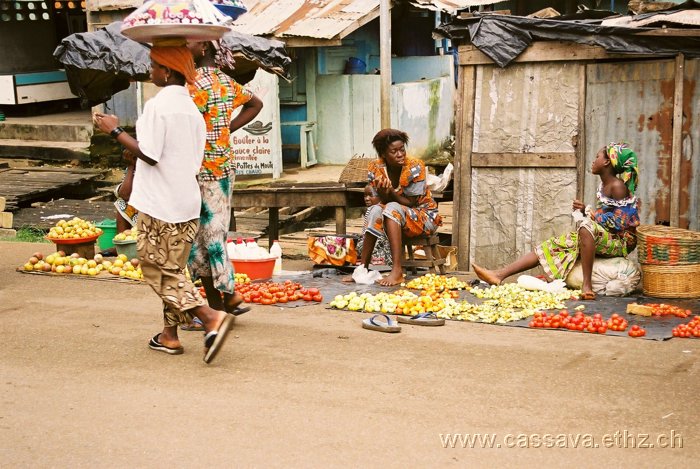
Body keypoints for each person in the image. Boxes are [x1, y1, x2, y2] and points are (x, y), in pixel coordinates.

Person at [93, 39, 234, 363]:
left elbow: (152, 155)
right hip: (186, 202)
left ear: (168, 72)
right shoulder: (192, 110)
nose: (151, 70)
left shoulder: (160, 105)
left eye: (155, 65)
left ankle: (210, 316)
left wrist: (115, 131)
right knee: (173, 269)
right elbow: (181, 157)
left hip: (162, 204)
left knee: (155, 268)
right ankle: (169, 336)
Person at [472, 142, 640, 300]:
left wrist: (589, 212)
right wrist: (584, 211)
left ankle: (587, 286)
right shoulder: (603, 186)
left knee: (585, 227)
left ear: (606, 162)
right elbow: (604, 219)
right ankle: (499, 275)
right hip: (607, 237)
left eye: (597, 157)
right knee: (552, 245)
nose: (594, 160)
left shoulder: (617, 186)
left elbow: (620, 223)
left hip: (621, 242)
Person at [179, 40, 263, 331]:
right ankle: (219, 304)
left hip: (198, 170)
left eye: (187, 43)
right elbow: (256, 104)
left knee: (205, 238)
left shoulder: (192, 86)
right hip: (224, 168)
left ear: (203, 47)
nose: (183, 46)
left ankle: (227, 296)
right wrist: (228, 128)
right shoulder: (226, 81)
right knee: (208, 237)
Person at [356, 128, 442, 286]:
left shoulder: (415, 167)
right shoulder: (375, 168)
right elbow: (379, 203)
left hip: (423, 217)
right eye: (394, 151)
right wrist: (383, 193)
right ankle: (362, 268)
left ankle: (397, 270)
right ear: (383, 154)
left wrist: (390, 193)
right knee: (374, 210)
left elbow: (411, 203)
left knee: (392, 207)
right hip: (395, 217)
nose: (400, 154)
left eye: (402, 149)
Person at [355, 184, 392, 266]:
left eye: (371, 195)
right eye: (365, 196)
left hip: (381, 249)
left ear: (380, 197)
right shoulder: (370, 209)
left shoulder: (379, 210)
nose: (367, 199)